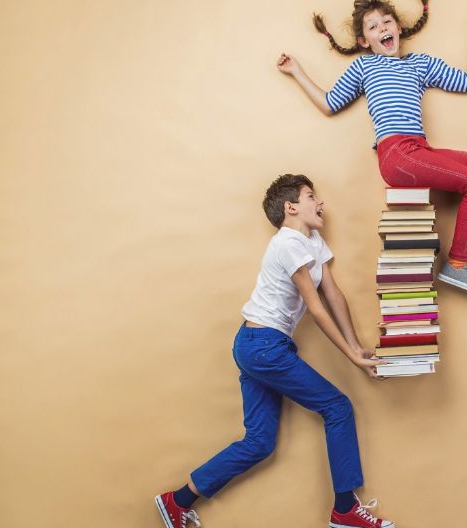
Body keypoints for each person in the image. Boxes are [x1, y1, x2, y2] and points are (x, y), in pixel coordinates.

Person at [277, 0, 467, 296]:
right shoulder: (364, 66)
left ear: (397, 28)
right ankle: (458, 264)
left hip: (419, 149)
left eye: (386, 22)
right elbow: (330, 104)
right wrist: (296, 72)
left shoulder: (421, 64)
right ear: (364, 40)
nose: (382, 28)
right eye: (373, 27)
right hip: (396, 154)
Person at [155, 174, 394, 528]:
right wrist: (352, 357)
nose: (321, 202)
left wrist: (357, 346)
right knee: (337, 407)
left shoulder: (312, 239)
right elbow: (314, 307)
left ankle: (177, 501)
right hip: (264, 346)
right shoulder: (288, 242)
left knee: (260, 442)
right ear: (291, 207)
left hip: (257, 345)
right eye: (312, 196)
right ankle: (344, 509)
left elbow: (333, 294)